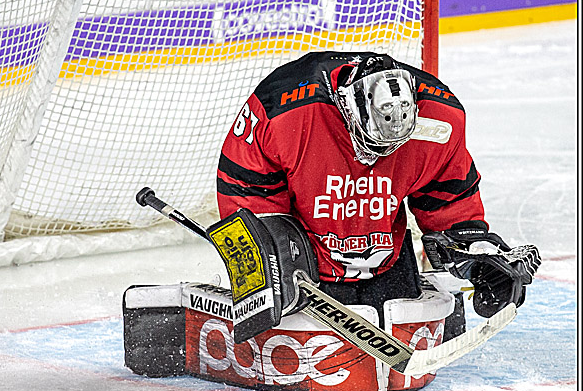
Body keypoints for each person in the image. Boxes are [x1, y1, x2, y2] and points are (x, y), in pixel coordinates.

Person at [216, 50, 540, 325]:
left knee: (428, 330)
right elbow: (245, 190)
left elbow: (448, 197)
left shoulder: (440, 118)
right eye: (370, 144)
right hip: (305, 262)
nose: (376, 158)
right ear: (347, 108)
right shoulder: (283, 110)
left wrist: (475, 250)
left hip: (387, 256)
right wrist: (264, 260)